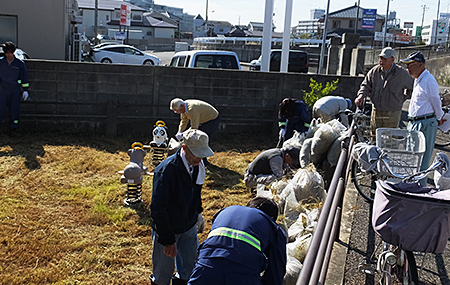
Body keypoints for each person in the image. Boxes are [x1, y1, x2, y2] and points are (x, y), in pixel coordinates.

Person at [150, 129, 214, 285]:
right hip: (167, 227)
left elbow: (195, 193)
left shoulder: (198, 166)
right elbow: (158, 209)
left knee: (190, 269)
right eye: (196, 153)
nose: (199, 158)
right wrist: (167, 239)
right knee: (163, 273)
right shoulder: (167, 170)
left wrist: (198, 213)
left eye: (202, 154)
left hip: (188, 225)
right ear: (184, 149)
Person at [187, 197, 287, 285]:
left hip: (206, 267)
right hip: (243, 273)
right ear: (272, 218)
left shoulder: (225, 211)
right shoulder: (273, 227)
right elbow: (276, 271)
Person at [400, 51, 446, 186]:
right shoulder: (418, 79)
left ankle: (419, 188)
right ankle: (412, 186)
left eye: (410, 64)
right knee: (412, 157)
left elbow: (435, 100)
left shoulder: (428, 79)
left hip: (424, 123)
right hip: (416, 122)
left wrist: (440, 116)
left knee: (422, 159)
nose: (407, 67)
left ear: (420, 65)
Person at [355, 47, 414, 139]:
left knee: (390, 139)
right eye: (381, 58)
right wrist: (361, 96)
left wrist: (402, 98)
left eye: (385, 59)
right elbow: (366, 85)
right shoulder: (375, 71)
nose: (381, 61)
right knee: (374, 136)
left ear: (392, 59)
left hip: (393, 112)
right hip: (376, 110)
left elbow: (413, 88)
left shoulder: (401, 73)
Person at [0, 41, 29, 135]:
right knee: (0, 109)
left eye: (11, 52)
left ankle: (14, 128)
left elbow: (24, 77)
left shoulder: (20, 64)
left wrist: (25, 90)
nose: (9, 55)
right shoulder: (1, 62)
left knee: (14, 109)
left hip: (15, 90)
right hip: (2, 89)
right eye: (7, 52)